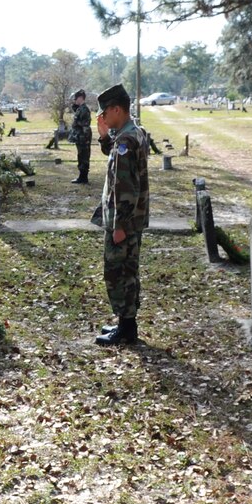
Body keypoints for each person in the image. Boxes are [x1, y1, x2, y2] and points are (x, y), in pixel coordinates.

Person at [91, 84, 150, 346]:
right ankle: (126, 324)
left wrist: (120, 226)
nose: (103, 116)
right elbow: (115, 155)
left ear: (117, 109)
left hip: (123, 220)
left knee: (119, 273)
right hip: (128, 219)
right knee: (128, 271)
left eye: (105, 112)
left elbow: (126, 188)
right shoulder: (131, 132)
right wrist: (104, 136)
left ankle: (126, 329)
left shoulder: (126, 140)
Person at [69, 89, 92, 184]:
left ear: (81, 98)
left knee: (84, 157)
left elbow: (85, 124)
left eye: (76, 98)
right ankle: (81, 176)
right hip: (80, 136)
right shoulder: (80, 108)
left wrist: (76, 123)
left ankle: (84, 177)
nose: (75, 100)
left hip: (84, 137)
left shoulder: (84, 109)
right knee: (80, 156)